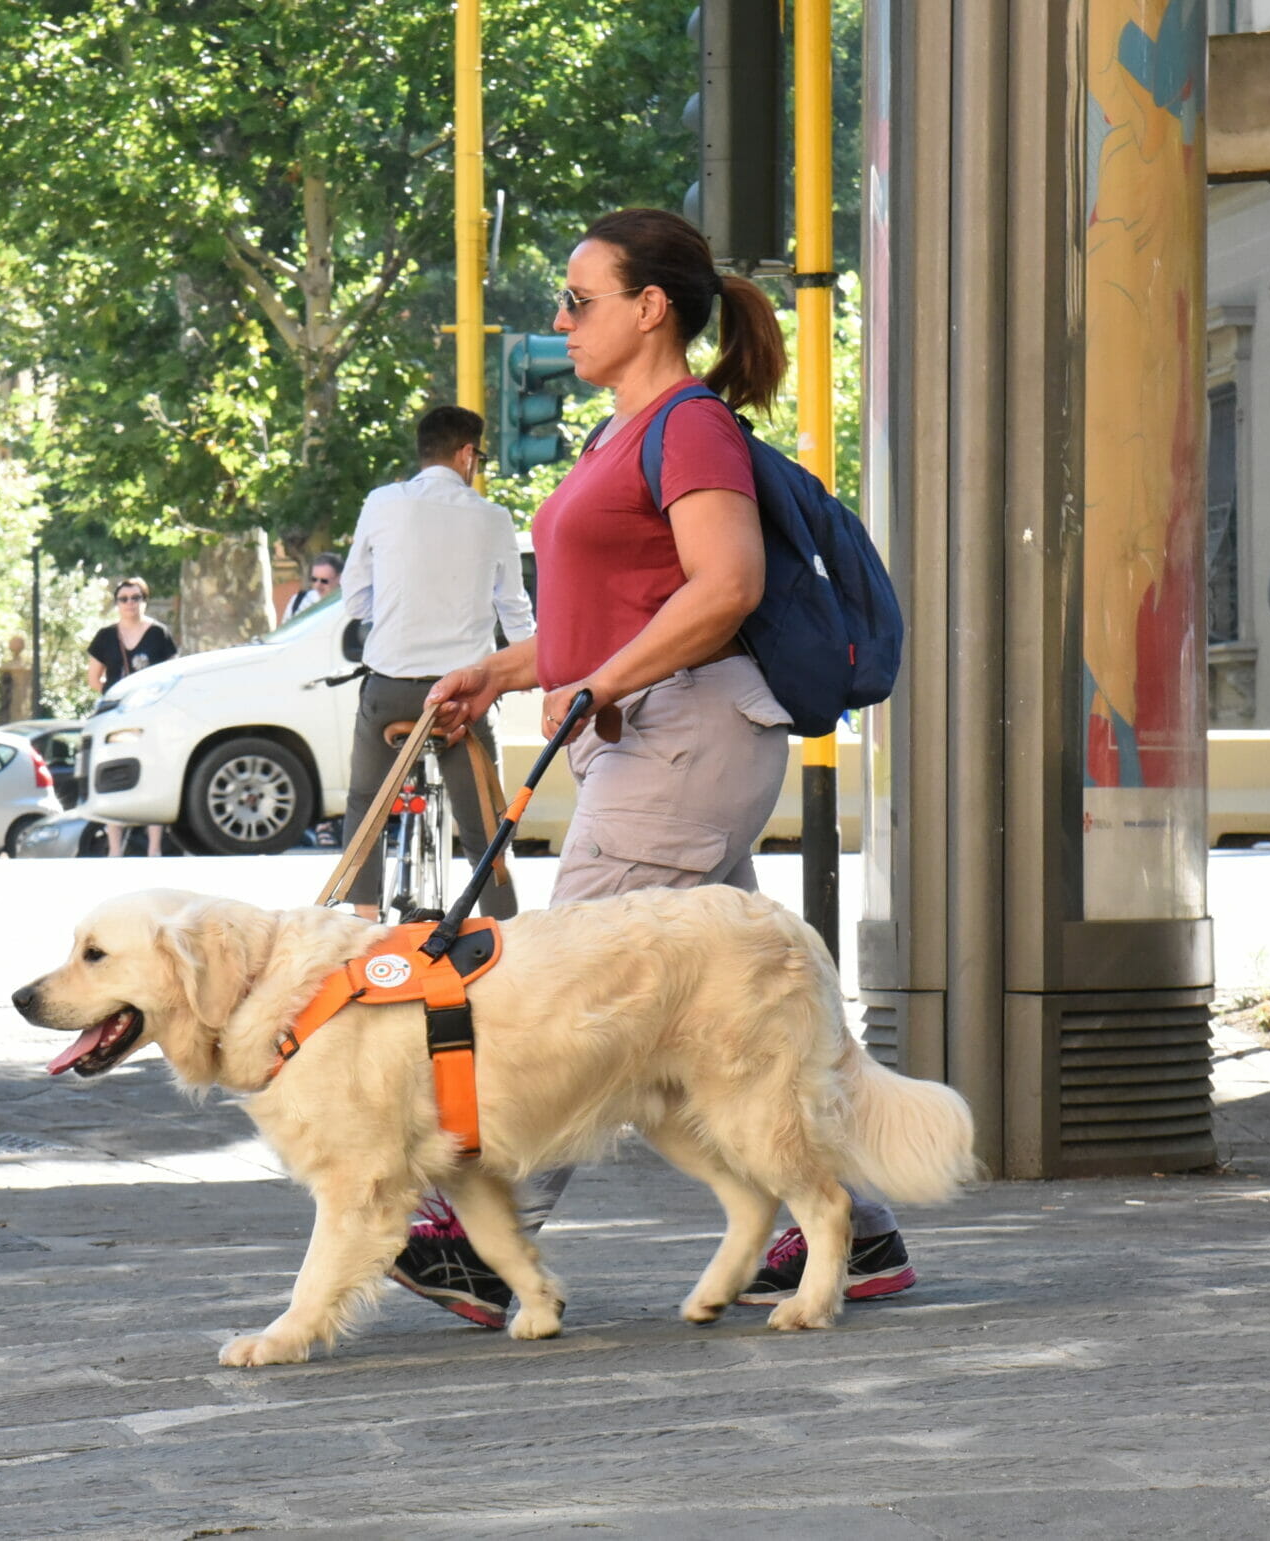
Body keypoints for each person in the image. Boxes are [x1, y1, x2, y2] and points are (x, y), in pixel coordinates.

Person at [388, 208, 917, 1327]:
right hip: (667, 735)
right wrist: (503, 667)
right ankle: (853, 1229)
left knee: (569, 987)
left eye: (580, 300)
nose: (560, 319)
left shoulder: (692, 430)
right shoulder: (619, 433)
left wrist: (605, 681)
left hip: (682, 739)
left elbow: (721, 586)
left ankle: (484, 1236)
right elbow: (614, 605)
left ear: (650, 309)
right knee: (733, 1004)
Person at [339, 405, 534, 922]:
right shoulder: (493, 519)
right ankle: (502, 933)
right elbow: (514, 610)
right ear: (467, 454)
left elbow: (355, 599)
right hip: (460, 701)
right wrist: (528, 672)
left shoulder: (382, 503)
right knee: (485, 830)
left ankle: (362, 925)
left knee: (365, 804)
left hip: (390, 692)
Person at [87, 576, 179, 857]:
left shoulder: (159, 635)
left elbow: (172, 674)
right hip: (117, 717)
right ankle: (114, 849)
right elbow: (93, 679)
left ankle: (154, 848)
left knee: (153, 772)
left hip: (151, 716)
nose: (130, 604)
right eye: (124, 599)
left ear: (144, 600)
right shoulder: (105, 637)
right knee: (113, 774)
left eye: (135, 597)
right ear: (116, 603)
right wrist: (117, 696)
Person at [282, 552, 344, 622]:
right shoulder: (298, 601)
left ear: (339, 579)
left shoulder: (348, 605)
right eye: (314, 579)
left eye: (324, 581)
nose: (318, 586)